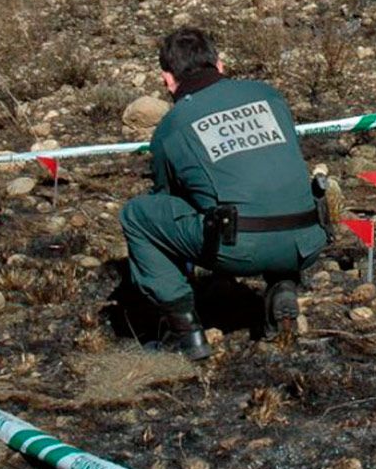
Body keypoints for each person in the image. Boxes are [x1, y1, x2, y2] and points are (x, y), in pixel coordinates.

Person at [120, 28, 329, 360]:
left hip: (240, 246)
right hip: (309, 237)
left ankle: (185, 332)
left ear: (167, 81)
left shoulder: (171, 126)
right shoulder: (268, 95)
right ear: (220, 64)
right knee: (269, 186)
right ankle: (282, 288)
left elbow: (167, 198)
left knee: (137, 216)